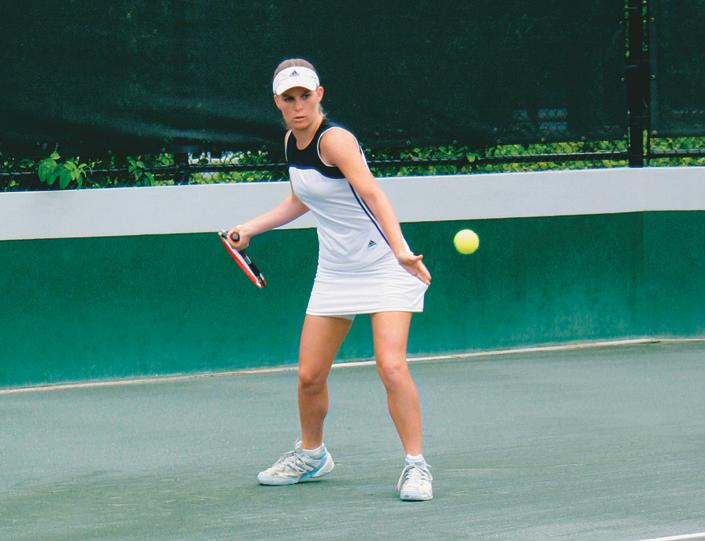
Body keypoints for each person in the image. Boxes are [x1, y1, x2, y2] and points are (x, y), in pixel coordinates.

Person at [227, 58, 433, 501]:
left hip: (383, 264)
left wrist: (400, 250)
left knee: (391, 365)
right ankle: (312, 455)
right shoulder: (291, 141)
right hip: (336, 271)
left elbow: (372, 192)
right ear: (278, 103)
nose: (298, 106)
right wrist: (251, 228)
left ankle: (416, 467)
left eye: (305, 95)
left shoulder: (335, 140)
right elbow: (302, 198)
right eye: (289, 98)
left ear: (319, 95)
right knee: (309, 376)